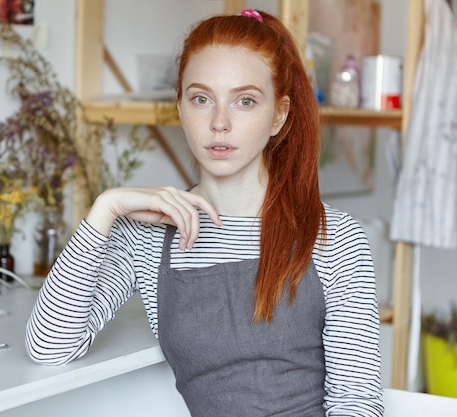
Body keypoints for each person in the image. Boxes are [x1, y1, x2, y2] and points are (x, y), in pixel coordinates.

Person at [25, 9, 384, 417]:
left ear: (278, 115)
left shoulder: (334, 237)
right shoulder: (146, 234)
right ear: (179, 106)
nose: (219, 123)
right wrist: (105, 208)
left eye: (245, 101)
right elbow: (49, 348)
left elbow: (357, 404)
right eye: (201, 99)